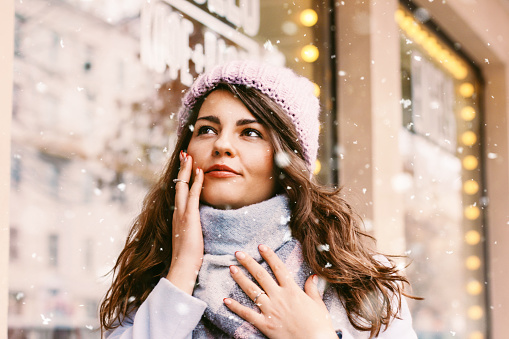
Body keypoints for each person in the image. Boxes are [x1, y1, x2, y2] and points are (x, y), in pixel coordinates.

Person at [99, 60, 418, 339]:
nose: (222, 145)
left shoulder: (358, 280)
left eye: (250, 132)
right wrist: (182, 269)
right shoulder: (153, 272)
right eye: (207, 129)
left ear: (285, 159)